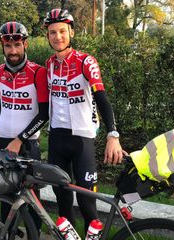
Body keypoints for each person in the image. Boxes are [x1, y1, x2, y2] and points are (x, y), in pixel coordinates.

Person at [43, 9, 126, 232]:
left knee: (88, 203)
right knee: (63, 201)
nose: (57, 36)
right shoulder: (49, 64)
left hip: (82, 141)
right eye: (52, 32)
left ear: (71, 32)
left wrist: (113, 134)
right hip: (57, 140)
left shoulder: (85, 61)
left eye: (62, 31)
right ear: (47, 36)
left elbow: (102, 98)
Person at [0, 21, 49, 233]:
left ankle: (35, 234)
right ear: (2, 47)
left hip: (28, 143)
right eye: (8, 46)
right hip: (4, 141)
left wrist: (20, 139)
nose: (13, 51)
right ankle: (8, 234)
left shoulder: (38, 73)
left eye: (17, 45)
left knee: (32, 198)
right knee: (5, 195)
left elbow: (44, 114)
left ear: (25, 45)